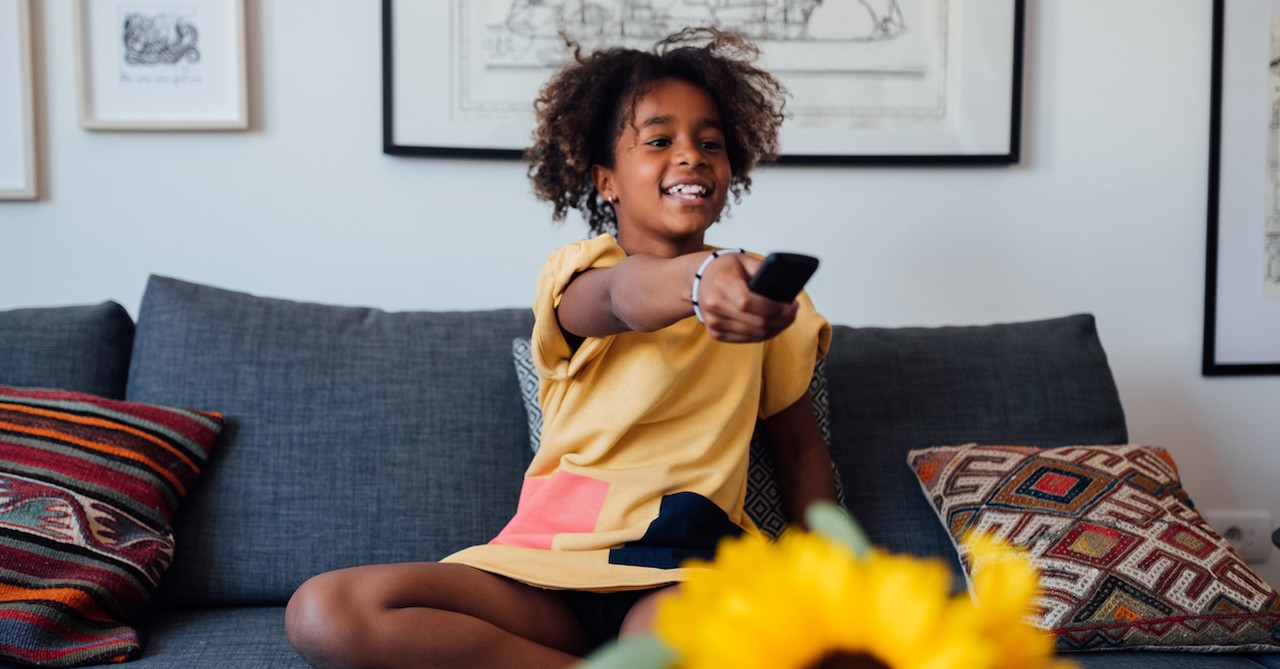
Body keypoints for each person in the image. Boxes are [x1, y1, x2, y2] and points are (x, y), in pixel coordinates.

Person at [285, 27, 834, 669]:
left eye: (709, 143)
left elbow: (799, 452)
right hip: (544, 568)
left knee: (667, 649)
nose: (690, 156)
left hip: (693, 569)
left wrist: (842, 580)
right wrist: (700, 279)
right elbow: (623, 297)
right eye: (659, 140)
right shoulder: (578, 275)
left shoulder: (763, 297)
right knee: (324, 611)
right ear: (607, 181)